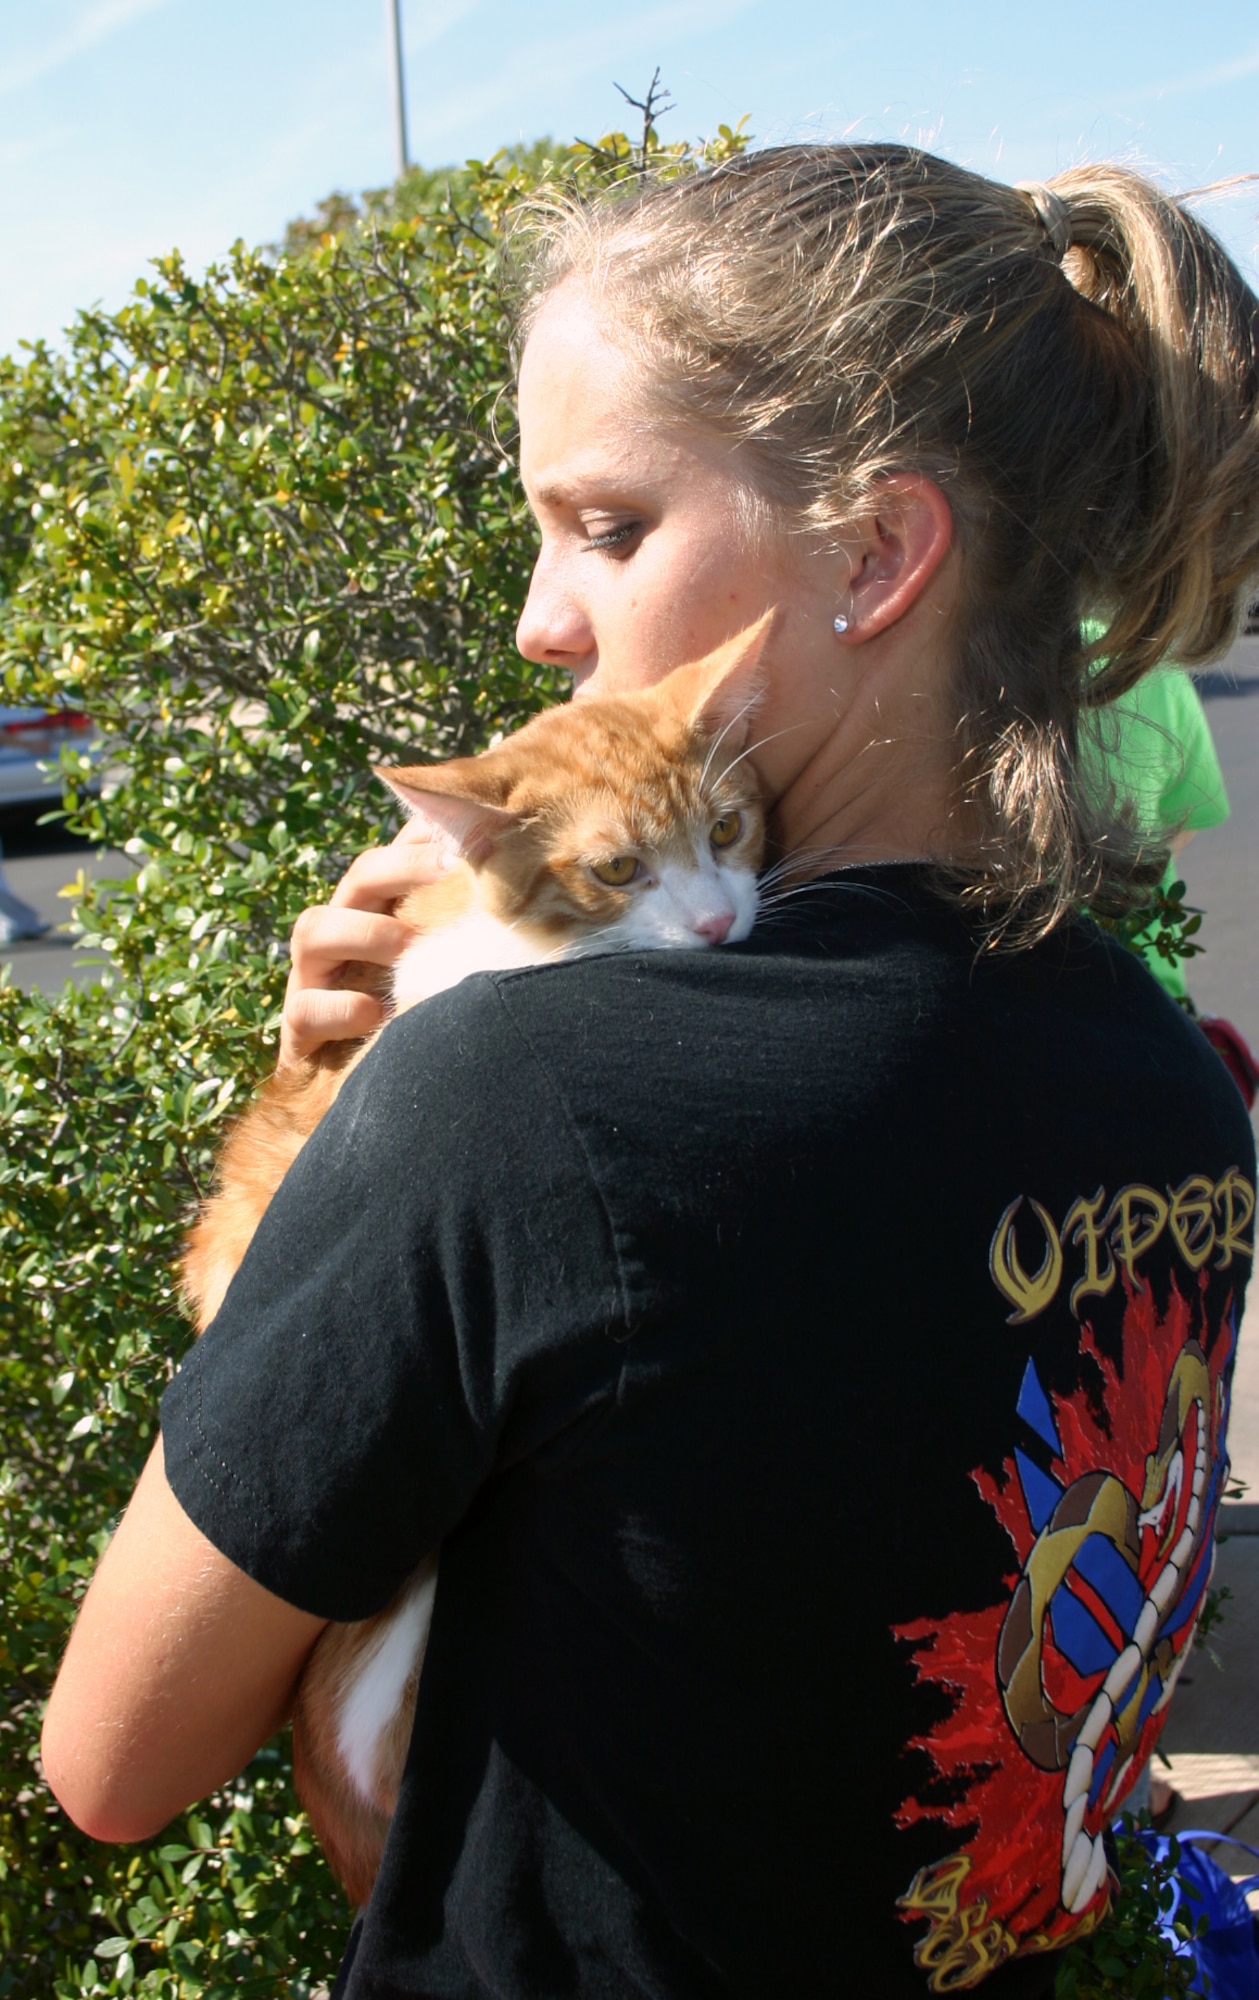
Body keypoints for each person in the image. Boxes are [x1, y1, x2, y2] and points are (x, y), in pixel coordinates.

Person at [41, 149, 1259, 1997]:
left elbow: (114, 1761)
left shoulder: (510, 1108)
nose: (541, 616)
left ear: (875, 556)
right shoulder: (1167, 1084)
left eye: (602, 525)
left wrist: (346, 1142)